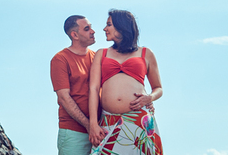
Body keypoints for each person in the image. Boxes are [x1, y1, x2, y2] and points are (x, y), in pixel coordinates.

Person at [88, 9, 164, 155]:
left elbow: (158, 88)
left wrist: (150, 97)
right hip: (108, 121)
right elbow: (93, 89)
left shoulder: (146, 53)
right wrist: (93, 124)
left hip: (139, 120)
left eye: (109, 24)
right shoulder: (101, 54)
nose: (105, 28)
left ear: (121, 26)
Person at [51, 14, 97, 155]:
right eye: (87, 29)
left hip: (99, 131)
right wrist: (89, 126)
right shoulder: (60, 59)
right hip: (73, 133)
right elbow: (64, 98)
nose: (93, 31)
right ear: (75, 35)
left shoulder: (97, 58)